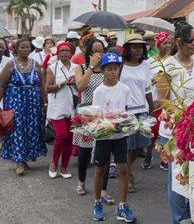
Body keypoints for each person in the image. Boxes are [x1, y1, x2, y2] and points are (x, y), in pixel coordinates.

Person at [157, 22, 194, 224]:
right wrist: (182, 116)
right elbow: (161, 100)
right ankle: (179, 219)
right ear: (179, 42)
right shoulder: (166, 65)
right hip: (174, 130)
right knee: (178, 177)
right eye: (191, 40)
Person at [91, 52, 137, 222]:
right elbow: (96, 116)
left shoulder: (125, 89)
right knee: (100, 169)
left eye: (116, 69)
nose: (113, 72)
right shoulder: (99, 91)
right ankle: (97, 203)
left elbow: (127, 111)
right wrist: (108, 122)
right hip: (103, 136)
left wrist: (125, 121)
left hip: (120, 136)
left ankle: (123, 206)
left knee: (123, 169)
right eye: (109, 69)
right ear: (103, 70)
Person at [0, 38, 47, 176]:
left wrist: (44, 102)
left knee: (31, 130)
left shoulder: (36, 64)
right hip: (15, 102)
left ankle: (25, 159)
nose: (25, 49)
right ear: (16, 49)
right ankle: (19, 162)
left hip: (33, 104)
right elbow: (2, 85)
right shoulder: (10, 64)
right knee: (18, 129)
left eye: (27, 47)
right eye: (22, 47)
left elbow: (41, 86)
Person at [74, 39, 113, 202]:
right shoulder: (81, 67)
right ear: (88, 53)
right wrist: (91, 66)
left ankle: (103, 189)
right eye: (94, 51)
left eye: (101, 51)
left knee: (104, 152)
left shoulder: (107, 70)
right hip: (86, 113)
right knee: (84, 151)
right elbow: (80, 87)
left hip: (103, 114)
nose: (98, 54)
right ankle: (81, 182)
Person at [119, 34, 154, 192]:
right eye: (134, 46)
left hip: (142, 110)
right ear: (127, 48)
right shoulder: (120, 65)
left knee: (141, 146)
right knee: (127, 146)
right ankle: (128, 176)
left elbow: (148, 89)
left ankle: (126, 168)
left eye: (140, 47)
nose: (138, 49)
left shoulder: (146, 65)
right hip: (125, 112)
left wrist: (152, 109)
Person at [46, 42, 77, 179]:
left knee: (70, 138)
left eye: (67, 50)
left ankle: (64, 167)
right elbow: (48, 88)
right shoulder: (52, 68)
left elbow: (81, 85)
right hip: (57, 107)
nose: (64, 53)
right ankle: (53, 163)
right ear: (57, 53)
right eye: (62, 51)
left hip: (72, 107)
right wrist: (63, 83)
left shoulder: (77, 67)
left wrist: (77, 82)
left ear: (71, 53)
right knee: (62, 135)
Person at [145, 31, 173, 171]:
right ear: (158, 45)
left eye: (169, 42)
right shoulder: (150, 62)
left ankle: (164, 158)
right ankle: (148, 154)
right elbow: (146, 81)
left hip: (168, 101)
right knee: (153, 130)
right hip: (154, 100)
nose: (167, 45)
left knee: (165, 131)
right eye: (164, 43)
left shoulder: (173, 61)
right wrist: (153, 80)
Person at [0, 38, 11, 109]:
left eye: (1, 47)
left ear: (4, 49)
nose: (0, 49)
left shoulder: (9, 61)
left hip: (6, 91)